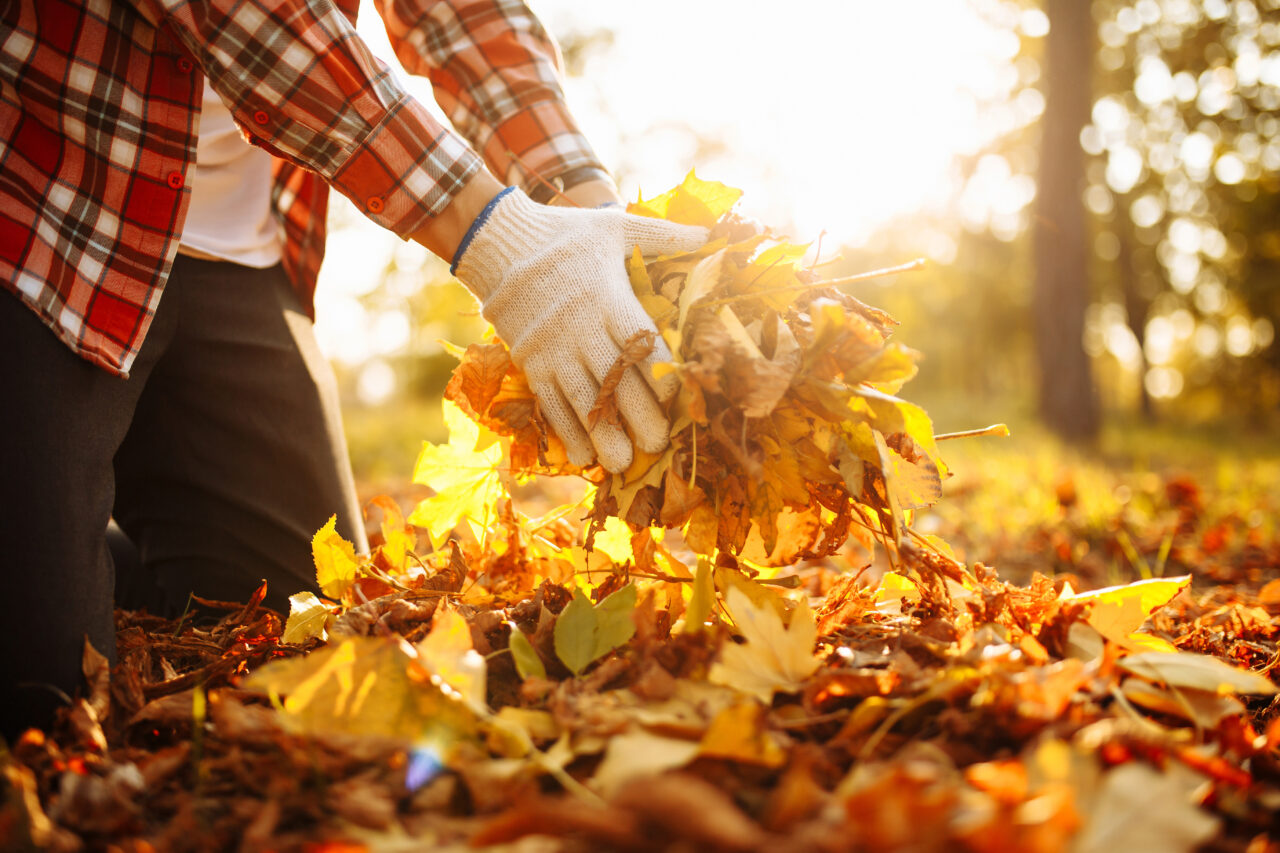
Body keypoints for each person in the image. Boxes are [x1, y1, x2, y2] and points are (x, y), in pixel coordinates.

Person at [0, 0, 706, 739]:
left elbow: (466, 15)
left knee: (293, 629)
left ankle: (67, 541)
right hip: (42, 208)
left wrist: (579, 202)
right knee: (43, 703)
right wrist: (496, 237)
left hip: (235, 253)